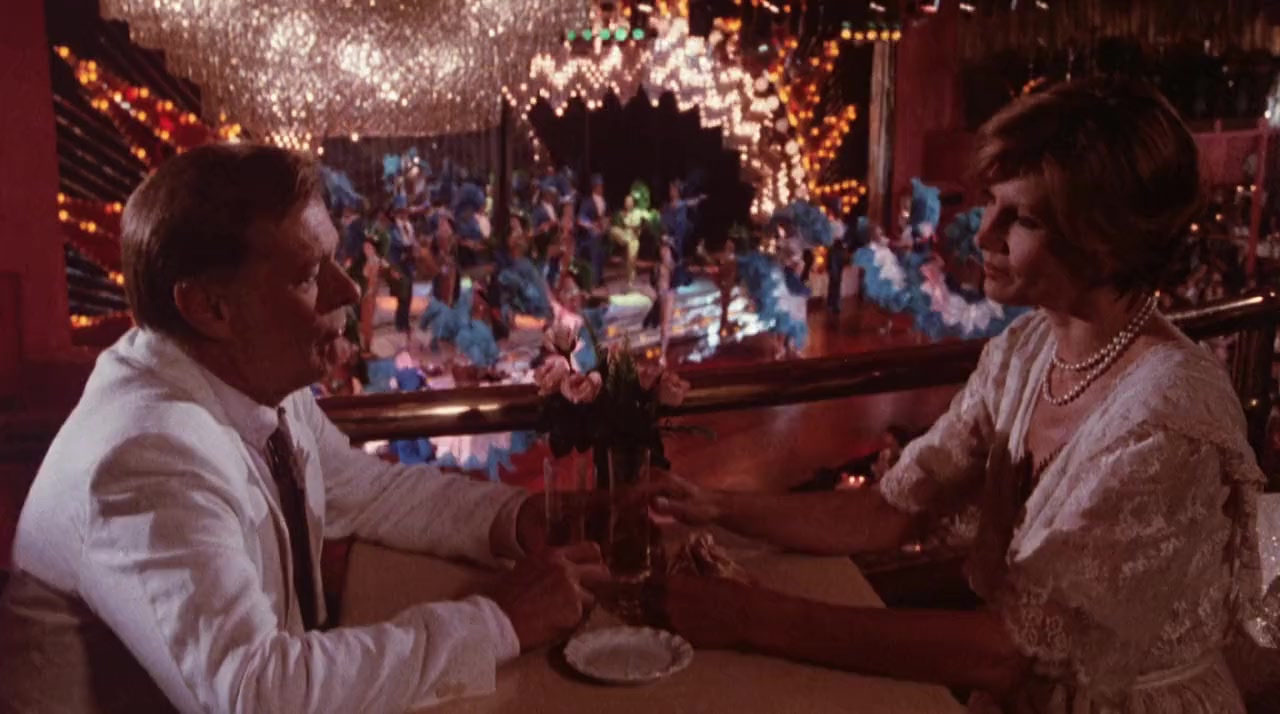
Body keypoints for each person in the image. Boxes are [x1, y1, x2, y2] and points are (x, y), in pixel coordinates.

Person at [651, 79, 1267, 712]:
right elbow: (892, 509)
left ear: (1106, 240)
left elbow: (1010, 651)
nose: (983, 235)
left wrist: (750, 618)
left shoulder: (1168, 416)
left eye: (1021, 218)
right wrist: (710, 504)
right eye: (991, 204)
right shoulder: (1026, 351)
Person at [0, 144, 606, 713]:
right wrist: (499, 621)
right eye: (308, 275)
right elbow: (260, 693)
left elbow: (367, 492)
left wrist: (523, 518)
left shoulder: (252, 381)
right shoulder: (145, 455)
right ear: (210, 308)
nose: (348, 289)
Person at [576, 174, 609, 290]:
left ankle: (600, 278)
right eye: (599, 186)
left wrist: (605, 224)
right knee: (594, 254)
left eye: (602, 186)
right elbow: (581, 218)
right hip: (590, 235)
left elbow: (605, 216)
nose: (601, 188)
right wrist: (592, 226)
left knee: (602, 255)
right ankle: (594, 280)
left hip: (602, 233)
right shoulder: (587, 202)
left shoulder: (603, 201)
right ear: (595, 187)